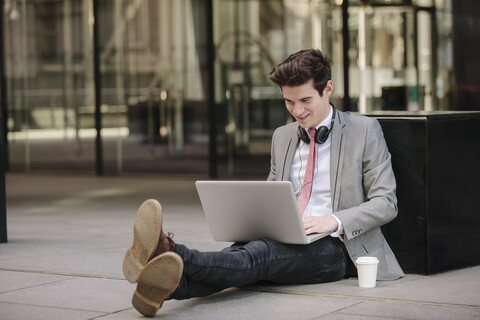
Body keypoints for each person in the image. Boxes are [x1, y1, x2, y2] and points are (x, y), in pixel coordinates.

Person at [122, 48, 404, 317]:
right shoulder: (282, 136)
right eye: (289, 102)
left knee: (256, 256)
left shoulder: (364, 131)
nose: (297, 111)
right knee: (241, 258)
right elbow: (271, 195)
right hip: (284, 233)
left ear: (327, 89)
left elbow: (386, 203)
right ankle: (164, 289)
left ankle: (170, 252)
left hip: (337, 246)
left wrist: (332, 220)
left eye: (306, 101)